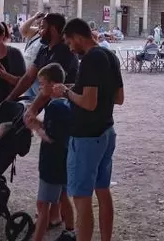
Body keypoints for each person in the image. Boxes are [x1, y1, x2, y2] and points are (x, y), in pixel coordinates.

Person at [51, 18, 124, 241]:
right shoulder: (109, 55)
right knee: (103, 192)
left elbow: (89, 102)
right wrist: (76, 89)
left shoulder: (91, 59)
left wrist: (65, 92)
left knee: (82, 199)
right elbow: (118, 97)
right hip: (106, 132)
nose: (70, 48)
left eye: (70, 42)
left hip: (86, 137)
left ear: (78, 37)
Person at [25, 63, 75, 241]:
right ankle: (70, 229)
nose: (40, 87)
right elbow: (55, 129)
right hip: (63, 159)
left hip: (51, 163)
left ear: (53, 84)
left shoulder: (54, 107)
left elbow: (51, 137)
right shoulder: (64, 104)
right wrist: (38, 123)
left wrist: (34, 128)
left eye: (43, 83)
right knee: (63, 196)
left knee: (43, 204)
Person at [7, 13, 78, 102]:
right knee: (29, 82)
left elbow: (50, 86)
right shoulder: (44, 48)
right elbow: (29, 76)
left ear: (53, 30)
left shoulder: (65, 51)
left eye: (42, 27)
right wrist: (9, 99)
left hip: (63, 101)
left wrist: (33, 109)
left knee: (39, 83)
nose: (39, 32)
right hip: (47, 93)